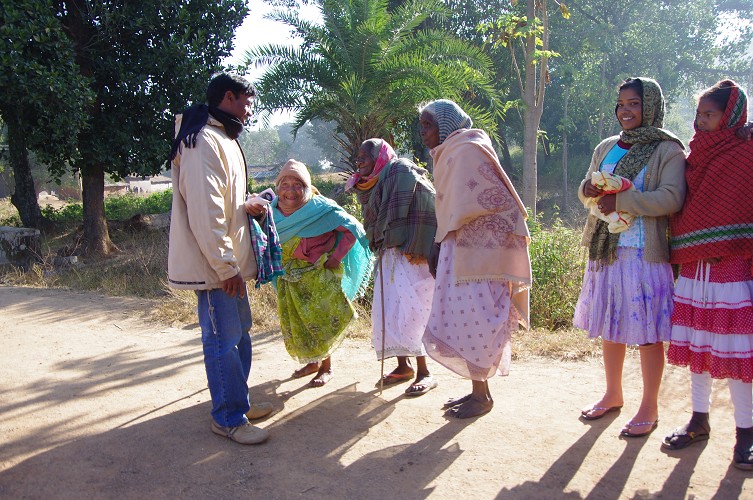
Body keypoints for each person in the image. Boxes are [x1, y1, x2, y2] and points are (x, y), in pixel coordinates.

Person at [574, 77, 686, 438]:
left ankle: (649, 406)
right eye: (621, 104)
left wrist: (622, 200)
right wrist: (587, 188)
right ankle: (613, 394)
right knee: (612, 324)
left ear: (650, 106)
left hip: (643, 252)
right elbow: (587, 189)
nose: (626, 110)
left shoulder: (667, 150)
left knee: (649, 331)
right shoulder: (607, 146)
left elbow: (671, 198)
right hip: (607, 250)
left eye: (635, 103)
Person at [167, 73, 271, 445]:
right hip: (216, 270)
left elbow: (224, 203)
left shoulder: (220, 138)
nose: (247, 113)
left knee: (239, 334)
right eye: (245, 104)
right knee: (223, 339)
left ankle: (237, 404)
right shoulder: (202, 142)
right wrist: (225, 267)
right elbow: (205, 213)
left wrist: (249, 204)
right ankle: (228, 418)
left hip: (230, 265)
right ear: (228, 97)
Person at [418, 99, 531, 418]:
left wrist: (446, 238)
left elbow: (487, 203)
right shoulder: (451, 152)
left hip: (481, 253)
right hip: (462, 249)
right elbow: (455, 208)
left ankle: (482, 396)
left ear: (446, 124)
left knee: (477, 318)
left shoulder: (466, 149)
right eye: (422, 126)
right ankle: (477, 391)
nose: (423, 133)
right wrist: (441, 241)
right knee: (465, 318)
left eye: (428, 125)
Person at [663, 80, 753, 470]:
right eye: (698, 114)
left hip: (733, 267)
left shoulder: (746, 152)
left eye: (709, 114)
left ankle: (746, 434)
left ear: (730, 116)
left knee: (736, 353)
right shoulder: (695, 155)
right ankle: (699, 420)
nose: (701, 121)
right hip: (696, 269)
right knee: (698, 348)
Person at [251, 160, 372, 387]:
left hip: (318, 278)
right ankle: (313, 363)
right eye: (285, 184)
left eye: (297, 184)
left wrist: (335, 258)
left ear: (307, 187)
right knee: (299, 323)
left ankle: (327, 368)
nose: (290, 190)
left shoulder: (320, 209)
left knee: (321, 322)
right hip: (288, 281)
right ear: (277, 187)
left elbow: (352, 229)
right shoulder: (270, 211)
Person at [347, 138, 438, 395]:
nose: (359, 162)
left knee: (414, 310)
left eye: (365, 156)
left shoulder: (401, 171)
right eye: (358, 158)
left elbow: (429, 203)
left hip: (411, 253)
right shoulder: (372, 184)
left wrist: (418, 244)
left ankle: (425, 372)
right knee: (391, 308)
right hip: (388, 254)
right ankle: (403, 366)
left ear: (380, 158)